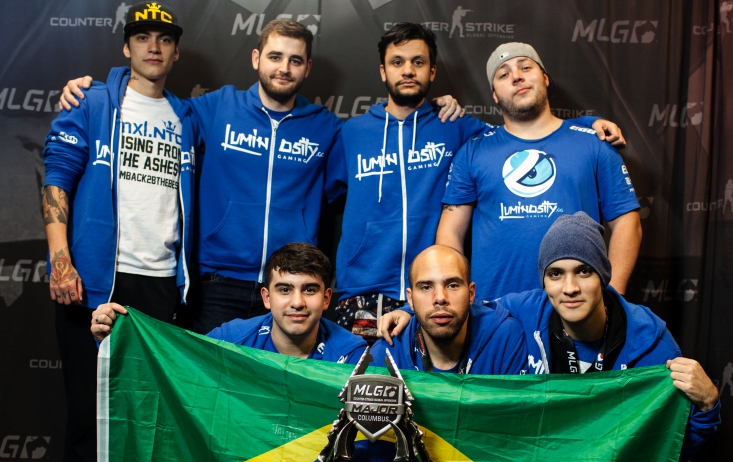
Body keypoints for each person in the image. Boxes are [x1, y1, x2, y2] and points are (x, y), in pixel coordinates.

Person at [58, 20, 464, 336]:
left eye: (295, 60)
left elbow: (366, 181)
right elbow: (153, 102)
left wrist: (439, 107)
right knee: (212, 396)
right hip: (218, 285)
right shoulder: (215, 107)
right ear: (256, 59)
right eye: (275, 57)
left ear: (307, 68)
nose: (283, 68)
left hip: (292, 289)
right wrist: (101, 89)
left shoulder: (328, 128)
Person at [333, 25, 626, 342]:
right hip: (363, 289)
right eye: (397, 62)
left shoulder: (454, 126)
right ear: (382, 70)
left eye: (418, 62)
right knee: (364, 373)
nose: (407, 70)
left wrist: (588, 126)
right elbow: (326, 193)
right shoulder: (351, 133)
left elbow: (525, 130)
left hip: (428, 294)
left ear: (432, 71)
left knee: (422, 375)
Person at [493, 212, 719, 462]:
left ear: (604, 275)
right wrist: (408, 314)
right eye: (556, 274)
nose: (569, 288)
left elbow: (670, 451)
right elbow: (454, 307)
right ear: (543, 282)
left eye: (583, 271)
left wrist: (708, 405)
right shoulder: (522, 311)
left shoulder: (651, 342)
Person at [42, 2, 196, 462]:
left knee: (147, 413)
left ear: (175, 52)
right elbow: (57, 178)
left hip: (159, 282)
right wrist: (61, 259)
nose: (153, 46)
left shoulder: (188, 118)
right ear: (126, 47)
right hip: (95, 280)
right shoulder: (91, 102)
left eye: (164, 38)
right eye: (142, 36)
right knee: (87, 406)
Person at [436, 42, 642, 301]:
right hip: (493, 309)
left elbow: (627, 221)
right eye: (503, 74)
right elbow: (450, 233)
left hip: (574, 305)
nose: (516, 77)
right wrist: (454, 297)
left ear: (545, 79)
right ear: (495, 96)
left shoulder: (594, 143)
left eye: (525, 67)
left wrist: (613, 295)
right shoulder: (473, 151)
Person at [93, 243, 368, 364]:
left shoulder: (352, 355)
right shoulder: (232, 340)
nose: (297, 302)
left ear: (326, 298)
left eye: (309, 290)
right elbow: (170, 363)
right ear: (266, 298)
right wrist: (115, 339)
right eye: (284, 289)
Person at [370, 245, 527, 375]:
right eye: (426, 287)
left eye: (452, 285)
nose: (440, 298)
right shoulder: (385, 353)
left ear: (471, 294)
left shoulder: (505, 339)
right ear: (410, 299)